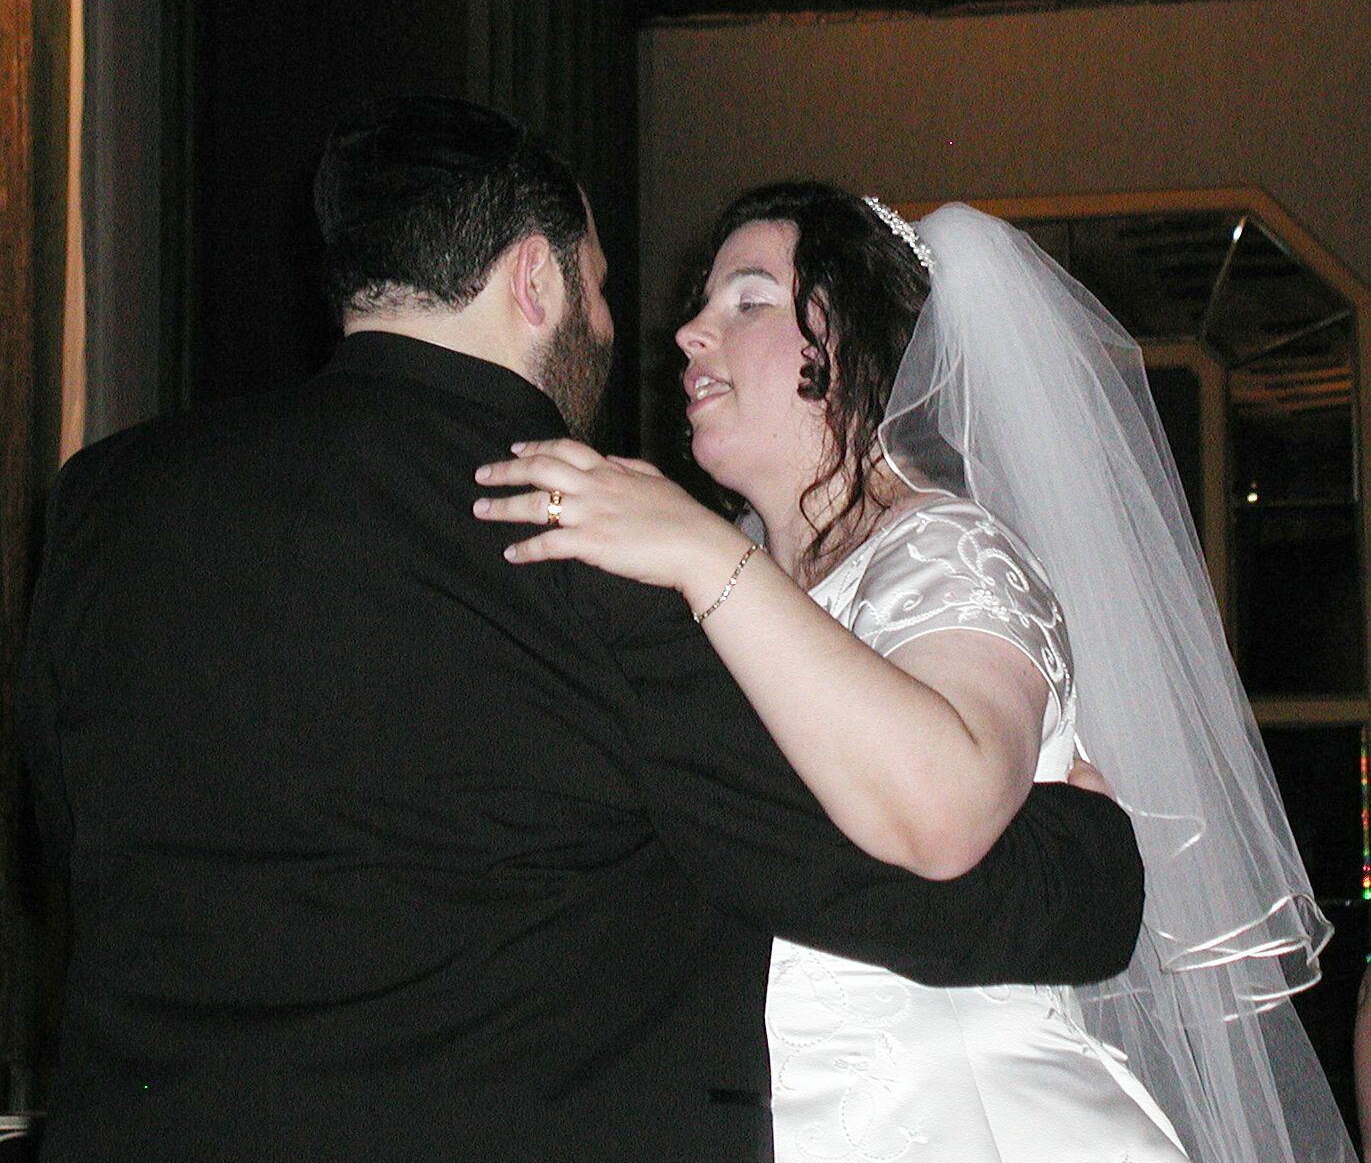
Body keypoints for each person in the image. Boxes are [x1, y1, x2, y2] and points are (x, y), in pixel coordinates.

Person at [16, 104, 1148, 1163]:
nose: (665, 331)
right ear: (536, 279)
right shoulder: (583, 546)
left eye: (743, 301)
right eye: (603, 288)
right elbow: (856, 862)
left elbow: (62, 825)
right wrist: (1086, 860)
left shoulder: (109, 500)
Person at [474, 182, 1357, 1162]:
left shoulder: (945, 550)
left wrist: (698, 550)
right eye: (701, 303)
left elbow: (945, 807)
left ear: (854, 344)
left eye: (749, 300)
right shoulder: (724, 584)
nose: (688, 333)